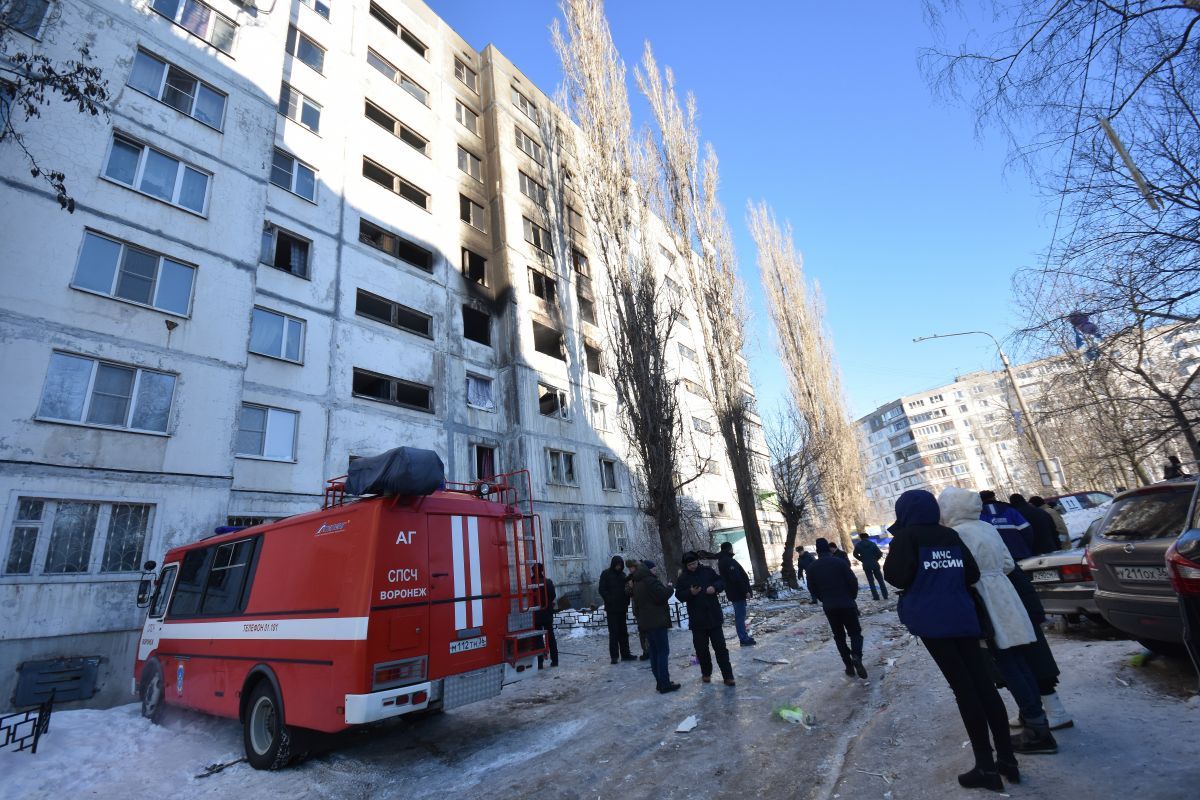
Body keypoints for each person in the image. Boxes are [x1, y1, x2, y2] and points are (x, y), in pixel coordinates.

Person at [884, 489, 1017, 791]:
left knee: (964, 690)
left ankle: (985, 766)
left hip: (934, 623)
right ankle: (1007, 759)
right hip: (964, 617)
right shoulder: (949, 535)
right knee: (983, 685)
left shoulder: (907, 538)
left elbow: (896, 577)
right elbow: (971, 574)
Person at [939, 487, 1058, 756]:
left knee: (1008, 665)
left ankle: (1038, 731)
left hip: (986, 600)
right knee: (1020, 660)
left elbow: (963, 572)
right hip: (1007, 595)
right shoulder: (987, 527)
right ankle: (1036, 719)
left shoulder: (955, 535)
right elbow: (1008, 564)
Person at [807, 537, 867, 679]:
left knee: (839, 636)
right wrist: (851, 597)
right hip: (847, 603)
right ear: (828, 549)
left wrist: (824, 599)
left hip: (830, 607)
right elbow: (853, 581)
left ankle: (849, 666)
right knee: (855, 633)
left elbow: (812, 589)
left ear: (817, 550)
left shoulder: (812, 568)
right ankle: (856, 655)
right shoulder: (839, 563)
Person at [675, 552, 736, 686]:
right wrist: (690, 593)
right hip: (697, 620)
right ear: (686, 565)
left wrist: (714, 587)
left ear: (698, 561)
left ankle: (728, 676)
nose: (692, 566)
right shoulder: (683, 578)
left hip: (713, 617)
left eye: (694, 563)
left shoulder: (707, 571)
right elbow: (679, 595)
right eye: (689, 564)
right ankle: (706, 673)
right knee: (701, 650)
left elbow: (721, 581)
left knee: (720, 648)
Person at [630, 560, 679, 693]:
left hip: (646, 622)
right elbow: (661, 596)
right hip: (657, 621)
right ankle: (665, 683)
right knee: (662, 652)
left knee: (654, 652)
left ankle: (660, 682)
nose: (656, 570)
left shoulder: (637, 582)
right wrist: (669, 587)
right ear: (649, 569)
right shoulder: (650, 580)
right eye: (654, 568)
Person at [598, 556, 637, 664]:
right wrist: (609, 598)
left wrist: (626, 600)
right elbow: (601, 589)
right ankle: (614, 656)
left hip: (622, 608)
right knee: (614, 633)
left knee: (623, 632)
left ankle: (626, 654)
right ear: (613, 564)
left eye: (620, 565)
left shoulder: (623, 575)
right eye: (617, 564)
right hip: (611, 609)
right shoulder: (606, 574)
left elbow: (626, 589)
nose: (619, 567)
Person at [716, 542, 756, 646]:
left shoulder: (722, 560)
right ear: (729, 549)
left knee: (740, 616)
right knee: (740, 617)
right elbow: (736, 578)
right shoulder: (728, 561)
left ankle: (744, 637)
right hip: (737, 593)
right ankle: (743, 638)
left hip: (734, 592)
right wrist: (745, 591)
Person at [979, 491, 1035, 561]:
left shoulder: (978, 514)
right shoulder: (1010, 510)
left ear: (980, 500)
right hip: (1019, 553)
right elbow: (1027, 530)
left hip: (995, 558)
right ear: (994, 497)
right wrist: (1026, 548)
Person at [531, 563, 558, 668]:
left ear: (533, 571)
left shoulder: (530, 583)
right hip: (547, 613)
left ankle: (540, 662)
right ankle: (555, 660)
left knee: (538, 638)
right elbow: (553, 595)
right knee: (551, 637)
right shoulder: (548, 582)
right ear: (542, 570)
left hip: (536, 615)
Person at [624, 561, 650, 660]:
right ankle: (646, 651)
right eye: (629, 568)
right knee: (642, 631)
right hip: (638, 608)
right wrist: (631, 587)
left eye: (632, 567)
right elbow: (627, 592)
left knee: (649, 630)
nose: (630, 569)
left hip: (647, 607)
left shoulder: (643, 576)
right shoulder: (630, 579)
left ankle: (651, 650)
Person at [852, 532, 888, 600]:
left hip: (866, 565)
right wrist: (876, 559)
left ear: (860, 538)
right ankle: (885, 595)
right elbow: (880, 553)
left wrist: (862, 559)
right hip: (874, 564)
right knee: (880, 581)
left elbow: (855, 554)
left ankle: (876, 597)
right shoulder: (873, 544)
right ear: (868, 537)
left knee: (871, 582)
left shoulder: (858, 545)